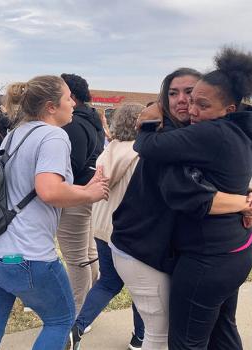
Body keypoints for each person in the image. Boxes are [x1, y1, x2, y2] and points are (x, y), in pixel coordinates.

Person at [110, 66, 252, 350]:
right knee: (179, 331)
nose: (185, 102)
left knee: (190, 338)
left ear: (224, 106)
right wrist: (246, 200)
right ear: (162, 100)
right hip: (143, 249)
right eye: (173, 93)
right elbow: (194, 196)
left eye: (192, 95)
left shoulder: (192, 137)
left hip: (202, 255)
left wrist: (249, 195)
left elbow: (203, 191)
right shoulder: (176, 142)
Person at [0, 75, 110, 350]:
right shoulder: (53, 135)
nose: (73, 104)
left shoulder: (16, 134)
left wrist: (81, 188)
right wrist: (89, 193)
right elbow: (49, 190)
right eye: (68, 98)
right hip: (24, 254)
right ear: (51, 106)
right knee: (60, 320)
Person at [68, 103, 146, 350]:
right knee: (140, 286)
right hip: (129, 229)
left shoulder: (108, 150)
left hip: (102, 226)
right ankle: (140, 338)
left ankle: (77, 327)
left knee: (108, 282)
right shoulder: (140, 154)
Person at [56, 73, 105, 314]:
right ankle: (89, 301)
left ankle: (78, 309)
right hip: (87, 193)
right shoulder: (93, 119)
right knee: (87, 252)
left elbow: (71, 165)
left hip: (76, 195)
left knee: (76, 257)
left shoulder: (74, 124)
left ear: (72, 96)